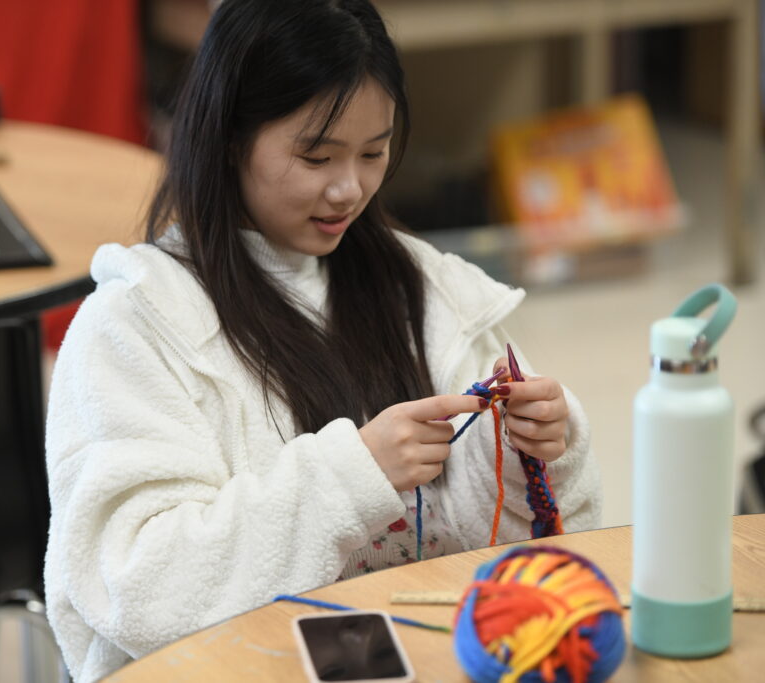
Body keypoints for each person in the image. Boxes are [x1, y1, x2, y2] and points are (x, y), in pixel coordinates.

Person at [44, 1, 602, 680]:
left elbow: (513, 560)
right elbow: (136, 585)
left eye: (374, 152)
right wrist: (353, 472)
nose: (350, 188)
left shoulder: (423, 287)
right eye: (316, 156)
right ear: (228, 139)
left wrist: (524, 451)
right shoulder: (136, 324)